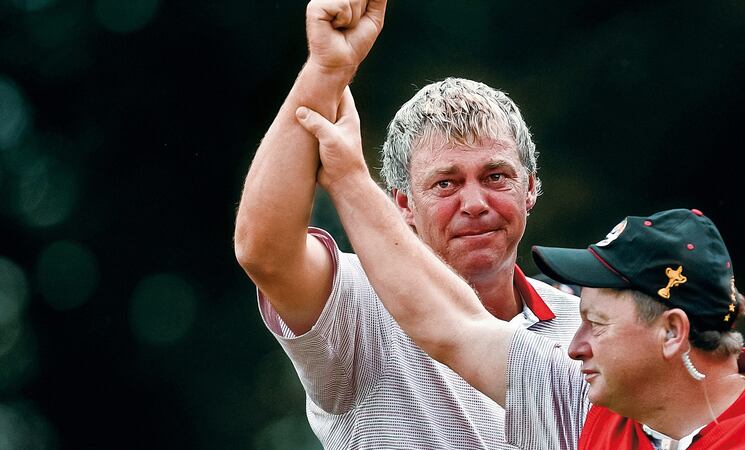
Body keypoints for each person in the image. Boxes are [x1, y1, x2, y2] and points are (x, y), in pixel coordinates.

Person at [294, 86, 745, 448]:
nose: (573, 345)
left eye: (597, 324)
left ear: (672, 332)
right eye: (446, 184)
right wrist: (347, 174)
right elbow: (449, 326)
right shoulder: (590, 410)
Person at [233, 0, 583, 448]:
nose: (474, 203)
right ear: (403, 204)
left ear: (531, 187)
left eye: (495, 176)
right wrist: (326, 70)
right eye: (445, 183)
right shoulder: (361, 303)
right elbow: (265, 252)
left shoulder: (588, 327)